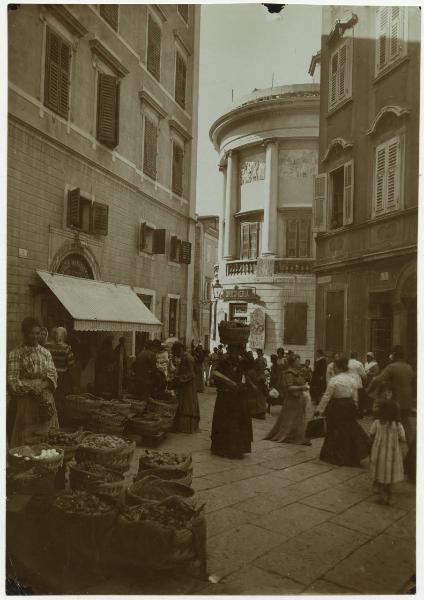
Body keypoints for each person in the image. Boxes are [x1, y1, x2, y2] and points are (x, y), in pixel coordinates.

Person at [7, 317, 59, 447]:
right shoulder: (16, 353)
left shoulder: (46, 353)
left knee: (46, 433)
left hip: (45, 398)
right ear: (24, 333)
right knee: (27, 436)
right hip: (26, 402)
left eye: (37, 333)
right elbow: (12, 380)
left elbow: (52, 374)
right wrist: (30, 389)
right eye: (31, 333)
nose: (35, 336)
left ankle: (47, 462)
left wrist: (42, 386)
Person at [315, 356, 370, 466]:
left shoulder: (334, 380)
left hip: (336, 407)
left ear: (339, 367)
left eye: (335, 366)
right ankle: (351, 455)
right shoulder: (352, 379)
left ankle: (334, 455)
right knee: (349, 430)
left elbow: (327, 396)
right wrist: (355, 407)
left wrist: (319, 410)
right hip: (349, 406)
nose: (333, 368)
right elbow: (355, 396)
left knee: (335, 431)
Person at [211, 343, 253, 458]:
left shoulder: (243, 362)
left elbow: (250, 368)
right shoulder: (224, 361)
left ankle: (237, 449)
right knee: (225, 421)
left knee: (237, 422)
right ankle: (222, 448)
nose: (233, 352)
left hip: (238, 396)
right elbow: (215, 373)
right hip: (225, 395)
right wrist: (229, 381)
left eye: (237, 350)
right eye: (232, 349)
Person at [367, 345, 415, 446]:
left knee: (384, 423)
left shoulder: (391, 367)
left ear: (394, 355)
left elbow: (378, 379)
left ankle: (378, 448)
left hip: (394, 402)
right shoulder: (409, 367)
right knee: (406, 424)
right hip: (407, 402)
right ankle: (412, 451)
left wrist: (368, 390)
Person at [264, 354, 310, 445]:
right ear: (292, 363)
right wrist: (302, 387)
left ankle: (296, 436)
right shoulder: (289, 373)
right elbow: (289, 387)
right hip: (292, 400)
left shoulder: (297, 371)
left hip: (299, 398)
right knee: (289, 419)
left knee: (298, 419)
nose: (299, 363)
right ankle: (289, 436)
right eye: (297, 361)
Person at [369, 400, 406, 505]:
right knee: (391, 474)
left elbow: (371, 435)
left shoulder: (377, 423)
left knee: (379, 472)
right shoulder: (398, 425)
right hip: (393, 454)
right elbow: (403, 438)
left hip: (379, 453)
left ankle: (380, 496)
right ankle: (390, 497)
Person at [171, 341, 200, 433]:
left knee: (188, 404)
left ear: (180, 350)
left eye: (176, 353)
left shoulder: (188, 358)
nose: (175, 355)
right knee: (182, 404)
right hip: (184, 384)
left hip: (189, 385)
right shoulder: (184, 357)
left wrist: (180, 378)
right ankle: (182, 427)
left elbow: (191, 374)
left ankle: (188, 427)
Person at [45, 326, 75, 411]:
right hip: (62, 376)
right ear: (64, 336)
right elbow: (71, 363)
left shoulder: (47, 346)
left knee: (52, 396)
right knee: (62, 398)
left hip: (50, 376)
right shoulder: (66, 348)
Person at [243, 351, 267, 419]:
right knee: (253, 399)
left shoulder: (261, 372)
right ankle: (254, 413)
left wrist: (263, 380)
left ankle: (261, 413)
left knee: (261, 399)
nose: (261, 366)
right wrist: (252, 385)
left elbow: (263, 379)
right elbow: (248, 378)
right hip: (252, 388)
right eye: (259, 364)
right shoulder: (251, 371)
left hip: (259, 388)